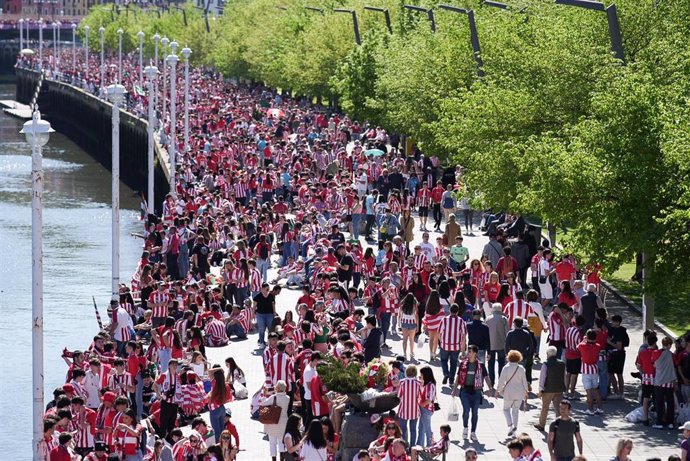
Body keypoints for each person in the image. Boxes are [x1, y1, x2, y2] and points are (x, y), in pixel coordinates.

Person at [451, 344, 494, 441]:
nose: (467, 353)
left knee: (475, 412)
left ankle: (473, 432)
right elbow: (458, 377)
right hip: (465, 391)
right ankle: (465, 427)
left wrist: (490, 388)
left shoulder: (481, 365)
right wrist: (454, 389)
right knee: (466, 411)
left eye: (469, 352)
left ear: (474, 353)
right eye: (467, 351)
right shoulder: (463, 364)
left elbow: (486, 377)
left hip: (476, 391)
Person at [496, 350, 529, 437]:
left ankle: (510, 425)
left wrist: (497, 390)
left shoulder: (506, 368)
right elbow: (524, 381)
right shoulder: (521, 368)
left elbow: (501, 381)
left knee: (506, 409)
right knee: (515, 411)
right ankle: (514, 431)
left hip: (508, 393)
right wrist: (526, 391)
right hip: (519, 393)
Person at [536, 346, 566, 431]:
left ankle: (542, 425)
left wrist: (541, 389)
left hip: (548, 390)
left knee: (545, 407)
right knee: (558, 408)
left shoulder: (546, 364)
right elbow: (564, 376)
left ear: (548, 354)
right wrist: (564, 386)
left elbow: (542, 378)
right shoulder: (562, 363)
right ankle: (559, 425)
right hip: (559, 389)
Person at [261, 381, 290, 461]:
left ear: (277, 388)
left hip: (273, 422)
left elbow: (263, 403)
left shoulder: (273, 397)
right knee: (281, 442)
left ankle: (274, 459)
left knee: (272, 443)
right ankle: (282, 459)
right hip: (283, 423)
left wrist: (265, 394)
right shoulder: (287, 398)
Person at [438, 304, 467, 385]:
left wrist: (441, 342)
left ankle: (446, 373)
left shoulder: (444, 320)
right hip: (456, 346)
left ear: (450, 310)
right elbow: (464, 336)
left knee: (443, 360)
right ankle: (451, 380)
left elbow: (439, 332)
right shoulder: (461, 321)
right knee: (453, 363)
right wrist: (463, 349)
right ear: (457, 311)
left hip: (445, 345)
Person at [578, 329, 604, 415]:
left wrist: (584, 339)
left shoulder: (582, 346)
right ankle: (600, 408)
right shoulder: (598, 346)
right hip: (594, 370)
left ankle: (590, 409)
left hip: (586, 371)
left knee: (588, 391)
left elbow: (578, 346)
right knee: (596, 390)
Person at [653, 337, 677, 429]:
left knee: (659, 402)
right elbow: (674, 366)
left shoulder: (656, 353)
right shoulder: (672, 355)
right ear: (670, 345)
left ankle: (659, 421)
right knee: (670, 402)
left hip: (659, 381)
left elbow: (654, 364)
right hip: (669, 381)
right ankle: (670, 422)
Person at [606, 314, 629, 400]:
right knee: (618, 374)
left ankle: (617, 392)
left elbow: (619, 346)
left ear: (618, 322)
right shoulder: (615, 330)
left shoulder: (619, 332)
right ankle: (621, 392)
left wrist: (609, 342)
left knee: (612, 373)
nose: (612, 323)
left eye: (614, 321)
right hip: (619, 354)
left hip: (617, 354)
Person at [397, 364, 421, 445]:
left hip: (403, 410)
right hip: (414, 410)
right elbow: (420, 396)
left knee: (403, 430)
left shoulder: (402, 382)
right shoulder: (418, 383)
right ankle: (412, 447)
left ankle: (404, 446)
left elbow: (399, 395)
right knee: (413, 430)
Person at [486, 302, 509, 386]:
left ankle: (491, 382)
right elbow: (507, 332)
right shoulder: (504, 319)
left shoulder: (488, 319)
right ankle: (501, 381)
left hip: (490, 345)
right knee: (501, 364)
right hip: (501, 344)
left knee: (490, 364)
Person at [207, 368, 232, 443]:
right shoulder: (226, 385)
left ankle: (219, 447)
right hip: (222, 408)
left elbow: (209, 371)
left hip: (214, 410)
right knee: (222, 430)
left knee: (216, 431)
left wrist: (220, 368)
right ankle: (225, 445)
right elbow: (228, 398)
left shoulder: (214, 383)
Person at [417, 366, 437, 447]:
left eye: (421, 374)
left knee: (426, 429)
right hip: (426, 409)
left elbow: (428, 399)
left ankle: (429, 446)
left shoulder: (429, 385)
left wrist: (421, 405)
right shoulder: (429, 384)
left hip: (426, 409)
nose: (420, 375)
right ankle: (419, 445)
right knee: (421, 428)